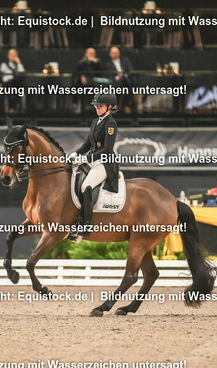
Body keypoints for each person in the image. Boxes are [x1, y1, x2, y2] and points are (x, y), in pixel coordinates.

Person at [68, 93, 120, 239]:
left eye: (100, 106)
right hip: (92, 161)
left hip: (104, 163)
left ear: (109, 107)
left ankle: (84, 226)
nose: (97, 108)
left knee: (86, 186)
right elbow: (87, 144)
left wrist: (85, 158)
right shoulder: (95, 121)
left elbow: (107, 149)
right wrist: (76, 153)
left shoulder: (110, 124)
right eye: (96, 106)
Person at [106, 46, 133, 113]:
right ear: (110, 54)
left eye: (117, 53)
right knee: (115, 86)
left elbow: (130, 71)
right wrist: (118, 77)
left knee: (129, 85)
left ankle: (125, 106)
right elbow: (109, 76)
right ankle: (115, 106)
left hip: (125, 80)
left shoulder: (125, 61)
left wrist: (123, 75)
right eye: (113, 53)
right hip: (115, 82)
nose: (115, 54)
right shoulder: (108, 64)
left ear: (119, 53)